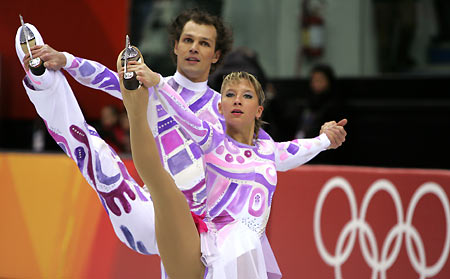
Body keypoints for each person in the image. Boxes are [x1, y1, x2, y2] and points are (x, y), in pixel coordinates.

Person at [17, 8, 346, 278]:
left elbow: (272, 152)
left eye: (203, 43)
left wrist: (323, 140)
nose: (193, 48)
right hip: (148, 211)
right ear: (174, 46)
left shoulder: (225, 110)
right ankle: (43, 85)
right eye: (187, 40)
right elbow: (106, 77)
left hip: (196, 236)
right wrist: (66, 60)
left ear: (216, 55)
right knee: (99, 157)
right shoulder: (147, 84)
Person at [119, 63, 346, 278]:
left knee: (245, 240)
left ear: (259, 110)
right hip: (213, 252)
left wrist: (327, 137)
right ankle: (133, 110)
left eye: (246, 96)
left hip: (249, 255)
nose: (237, 101)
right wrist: (158, 82)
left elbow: (306, 147)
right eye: (229, 95)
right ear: (220, 106)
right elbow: (182, 113)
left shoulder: (270, 151)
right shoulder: (213, 142)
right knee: (162, 185)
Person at [295, 63, 342, 140]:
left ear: (329, 82)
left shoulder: (334, 106)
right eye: (313, 80)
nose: (316, 84)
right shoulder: (307, 102)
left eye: (320, 80)